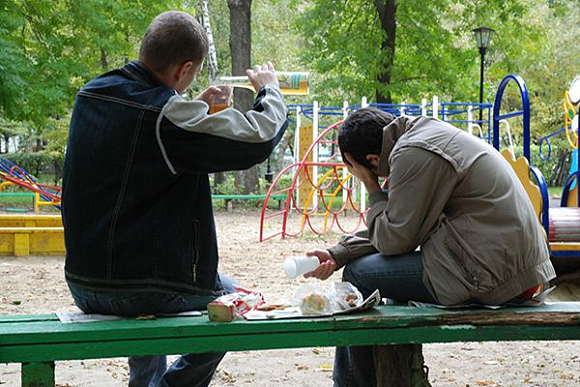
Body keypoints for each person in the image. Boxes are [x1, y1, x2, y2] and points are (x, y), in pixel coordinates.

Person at [61, 10, 288, 387]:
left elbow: (143, 149)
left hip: (84, 282)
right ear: (183, 69)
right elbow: (258, 136)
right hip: (141, 288)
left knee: (159, 276)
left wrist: (192, 103)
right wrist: (271, 89)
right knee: (237, 304)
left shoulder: (93, 93)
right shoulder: (165, 117)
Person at [304, 107, 555, 387]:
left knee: (360, 275)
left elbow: (393, 240)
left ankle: (350, 385)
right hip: (506, 266)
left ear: (371, 160)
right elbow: (404, 224)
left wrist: (372, 187)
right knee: (383, 285)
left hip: (493, 273)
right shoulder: (421, 136)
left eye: (356, 168)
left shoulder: (411, 154)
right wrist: (338, 254)